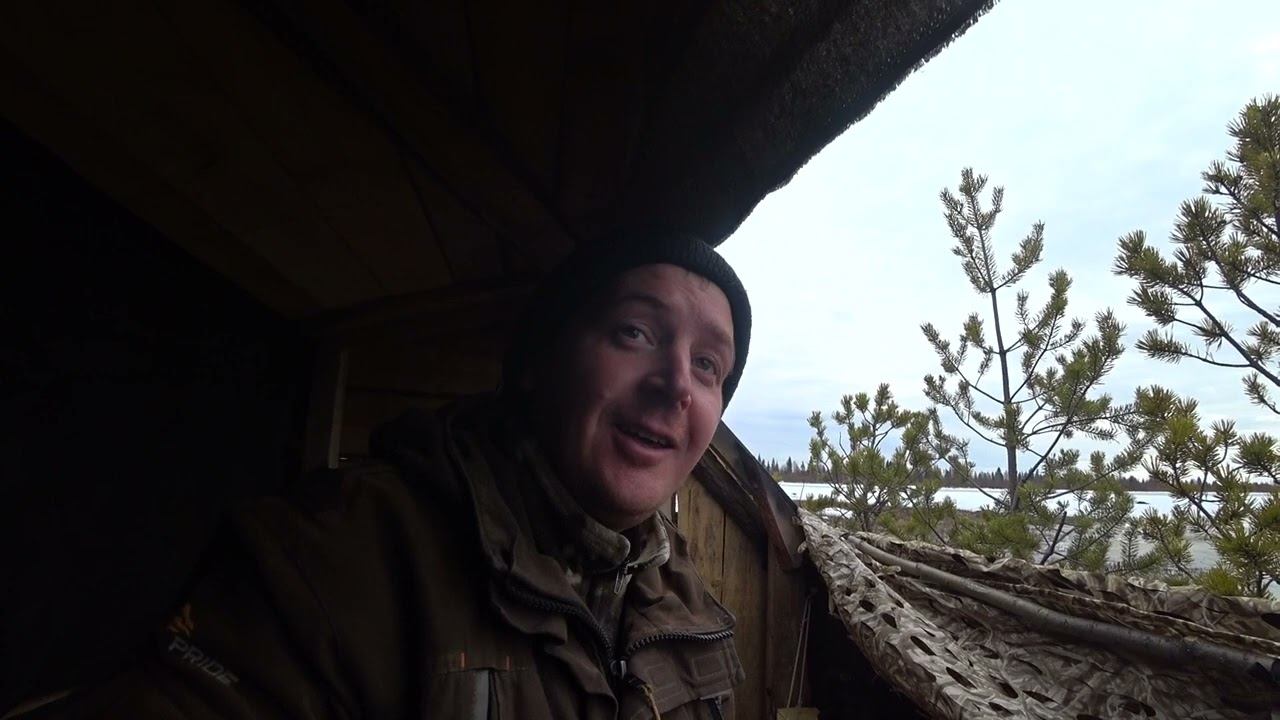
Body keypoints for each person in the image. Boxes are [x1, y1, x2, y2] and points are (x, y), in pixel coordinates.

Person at [59, 233, 751, 719]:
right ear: (540, 362)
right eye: (635, 332)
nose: (676, 386)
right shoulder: (338, 559)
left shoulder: (688, 608)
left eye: (708, 365)